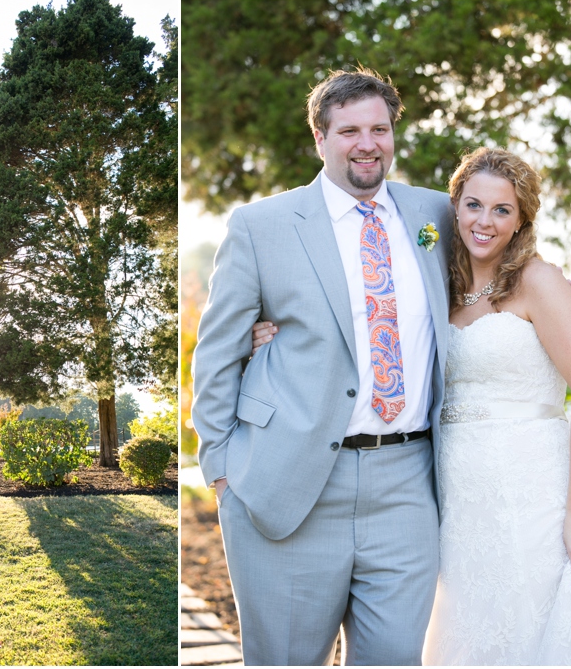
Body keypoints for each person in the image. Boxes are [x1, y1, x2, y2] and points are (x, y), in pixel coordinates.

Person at [252, 149, 571, 665]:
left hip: (529, 491)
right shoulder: (433, 272)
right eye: (473, 205)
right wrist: (273, 326)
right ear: (454, 207)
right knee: (465, 629)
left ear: (522, 221)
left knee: (531, 625)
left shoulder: (537, 281)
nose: (484, 222)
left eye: (503, 210)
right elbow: (358, 307)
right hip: (453, 497)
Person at [191, 68, 454, 665]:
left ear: (393, 133)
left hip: (408, 485)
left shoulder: (435, 215)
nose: (367, 143)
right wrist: (222, 466)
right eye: (350, 130)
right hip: (288, 484)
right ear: (320, 137)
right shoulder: (262, 226)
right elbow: (216, 352)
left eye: (380, 128)